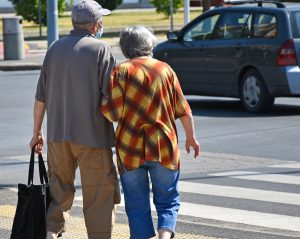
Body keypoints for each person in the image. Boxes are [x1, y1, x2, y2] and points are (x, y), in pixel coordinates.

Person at [29, 1, 120, 238]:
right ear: (95, 24)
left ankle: (51, 234)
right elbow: (110, 100)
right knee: (99, 197)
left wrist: (37, 133)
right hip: (93, 138)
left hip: (57, 137)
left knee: (58, 195)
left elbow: (40, 99)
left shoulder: (54, 49)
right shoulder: (102, 50)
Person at [102, 26, 200, 239]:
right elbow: (183, 109)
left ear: (126, 47)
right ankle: (165, 236)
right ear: (149, 44)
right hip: (163, 145)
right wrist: (191, 137)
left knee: (136, 204)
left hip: (130, 148)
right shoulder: (165, 70)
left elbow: (112, 114)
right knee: (168, 199)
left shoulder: (120, 72)